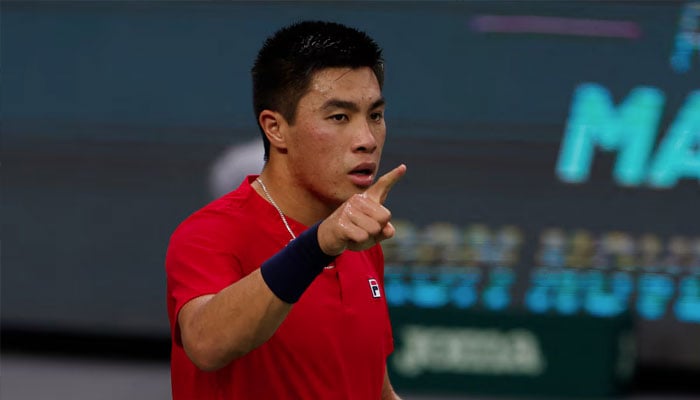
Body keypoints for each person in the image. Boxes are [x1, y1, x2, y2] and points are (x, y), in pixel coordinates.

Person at [166, 20, 406, 399]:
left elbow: (373, 388)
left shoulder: (362, 245)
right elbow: (206, 344)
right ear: (276, 129)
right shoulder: (209, 234)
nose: (366, 140)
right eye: (339, 117)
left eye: (374, 115)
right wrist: (318, 246)